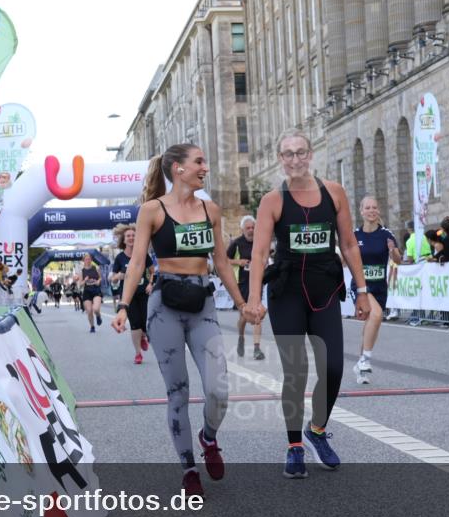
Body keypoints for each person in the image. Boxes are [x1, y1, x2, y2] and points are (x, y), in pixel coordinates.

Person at [111, 143, 247, 497]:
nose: (205, 167)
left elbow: (220, 261)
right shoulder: (151, 211)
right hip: (164, 307)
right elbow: (137, 261)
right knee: (178, 394)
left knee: (219, 389)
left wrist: (242, 303)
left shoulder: (210, 209)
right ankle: (189, 469)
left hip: (202, 304)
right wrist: (124, 306)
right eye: (199, 161)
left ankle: (209, 438)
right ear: (178, 170)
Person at [246, 129, 371, 479]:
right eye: (288, 154)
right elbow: (258, 253)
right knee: (296, 372)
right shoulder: (273, 200)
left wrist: (361, 290)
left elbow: (348, 244)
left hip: (325, 289)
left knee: (332, 369)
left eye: (300, 152)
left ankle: (316, 431)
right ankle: (294, 447)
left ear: (311, 154)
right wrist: (254, 299)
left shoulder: (334, 193)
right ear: (280, 159)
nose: (295, 159)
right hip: (287, 291)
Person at [352, 196, 401, 384]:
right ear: (361, 211)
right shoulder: (355, 235)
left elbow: (398, 260)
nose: (371, 210)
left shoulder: (386, 234)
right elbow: (346, 258)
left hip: (379, 286)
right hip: (361, 286)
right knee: (377, 315)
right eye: (368, 207)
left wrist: (392, 251)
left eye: (374, 207)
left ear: (378, 211)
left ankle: (360, 368)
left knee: (369, 326)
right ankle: (365, 359)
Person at [111, 224, 153, 364]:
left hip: (144, 293)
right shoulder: (119, 258)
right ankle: (138, 353)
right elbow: (112, 277)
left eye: (134, 236)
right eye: (128, 236)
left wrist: (150, 283)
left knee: (145, 323)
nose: (131, 238)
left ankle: (143, 336)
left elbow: (152, 271)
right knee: (135, 324)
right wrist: (119, 276)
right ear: (124, 240)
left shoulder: (143, 255)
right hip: (129, 296)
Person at [226, 215, 265, 360]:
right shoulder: (236, 243)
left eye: (253, 227)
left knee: (257, 315)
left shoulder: (259, 242)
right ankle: (241, 338)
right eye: (248, 228)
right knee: (243, 317)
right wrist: (239, 262)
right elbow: (225, 260)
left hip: (257, 282)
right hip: (242, 284)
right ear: (242, 229)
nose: (251, 230)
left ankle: (257, 349)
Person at [80, 252, 103, 332]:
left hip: (96, 289)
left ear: (91, 260)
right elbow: (80, 284)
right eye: (86, 259)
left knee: (96, 309)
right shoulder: (82, 271)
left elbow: (100, 278)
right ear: (84, 261)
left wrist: (98, 281)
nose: (88, 261)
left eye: (89, 259)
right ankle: (92, 327)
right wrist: (85, 280)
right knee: (89, 311)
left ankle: (98, 316)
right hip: (87, 291)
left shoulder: (95, 268)